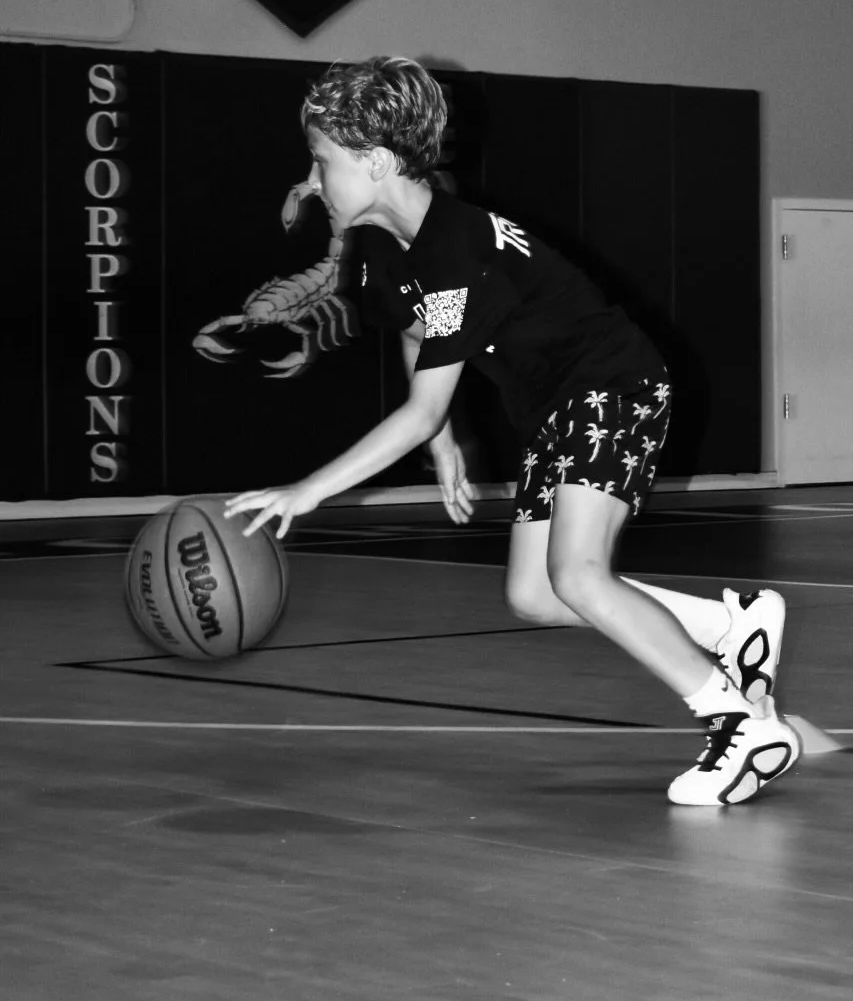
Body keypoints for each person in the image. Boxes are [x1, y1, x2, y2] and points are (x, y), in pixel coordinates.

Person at [225, 56, 801, 805]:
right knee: (535, 594)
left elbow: (422, 400)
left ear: (374, 163)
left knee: (579, 574)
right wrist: (443, 443)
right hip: (557, 410)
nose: (308, 181)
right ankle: (732, 624)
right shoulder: (378, 248)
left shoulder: (458, 247)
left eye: (321, 161)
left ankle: (738, 725)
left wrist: (309, 490)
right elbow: (415, 329)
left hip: (613, 387)